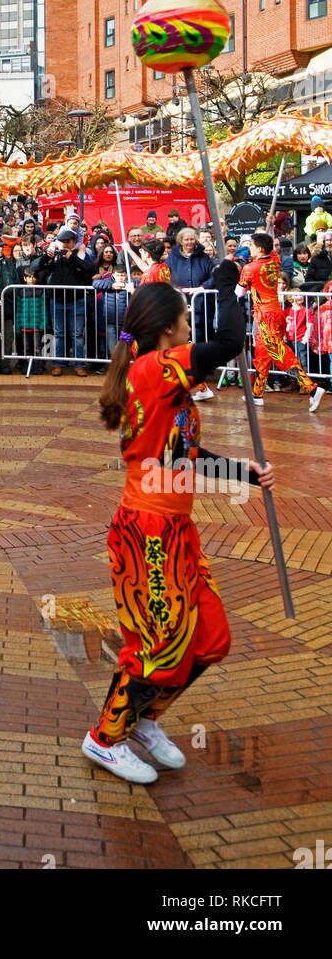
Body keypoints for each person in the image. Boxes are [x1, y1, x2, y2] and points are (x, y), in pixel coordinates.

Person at [82, 268, 274, 784]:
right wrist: (230, 282)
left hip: (174, 528)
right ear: (167, 327)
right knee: (157, 646)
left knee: (210, 639)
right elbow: (232, 341)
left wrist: (243, 472)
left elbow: (183, 456)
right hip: (145, 528)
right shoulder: (156, 368)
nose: (191, 326)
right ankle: (104, 737)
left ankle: (142, 719)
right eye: (187, 318)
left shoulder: (163, 380)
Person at [237, 232, 322, 411]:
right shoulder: (275, 260)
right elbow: (272, 249)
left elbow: (239, 293)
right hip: (274, 314)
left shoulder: (250, 268)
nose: (248, 248)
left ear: (259, 249)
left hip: (266, 317)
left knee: (281, 354)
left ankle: (311, 389)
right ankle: (257, 393)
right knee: (262, 353)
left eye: (251, 246)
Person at [167, 227, 216, 402]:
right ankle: (191, 381)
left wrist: (200, 288)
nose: (190, 243)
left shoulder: (204, 257)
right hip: (180, 306)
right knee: (181, 344)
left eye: (192, 240)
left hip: (201, 305)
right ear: (180, 241)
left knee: (198, 343)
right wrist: (177, 290)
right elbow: (167, 276)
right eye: (186, 240)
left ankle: (198, 380)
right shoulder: (172, 258)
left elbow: (214, 276)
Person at [41, 228, 97, 377]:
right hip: (57, 300)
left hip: (76, 300)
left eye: (68, 242)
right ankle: (58, 363)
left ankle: (79, 364)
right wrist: (47, 256)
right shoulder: (54, 255)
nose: (65, 245)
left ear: (73, 242)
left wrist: (72, 257)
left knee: (77, 334)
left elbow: (91, 269)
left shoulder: (81, 254)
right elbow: (36, 267)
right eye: (62, 242)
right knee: (59, 334)